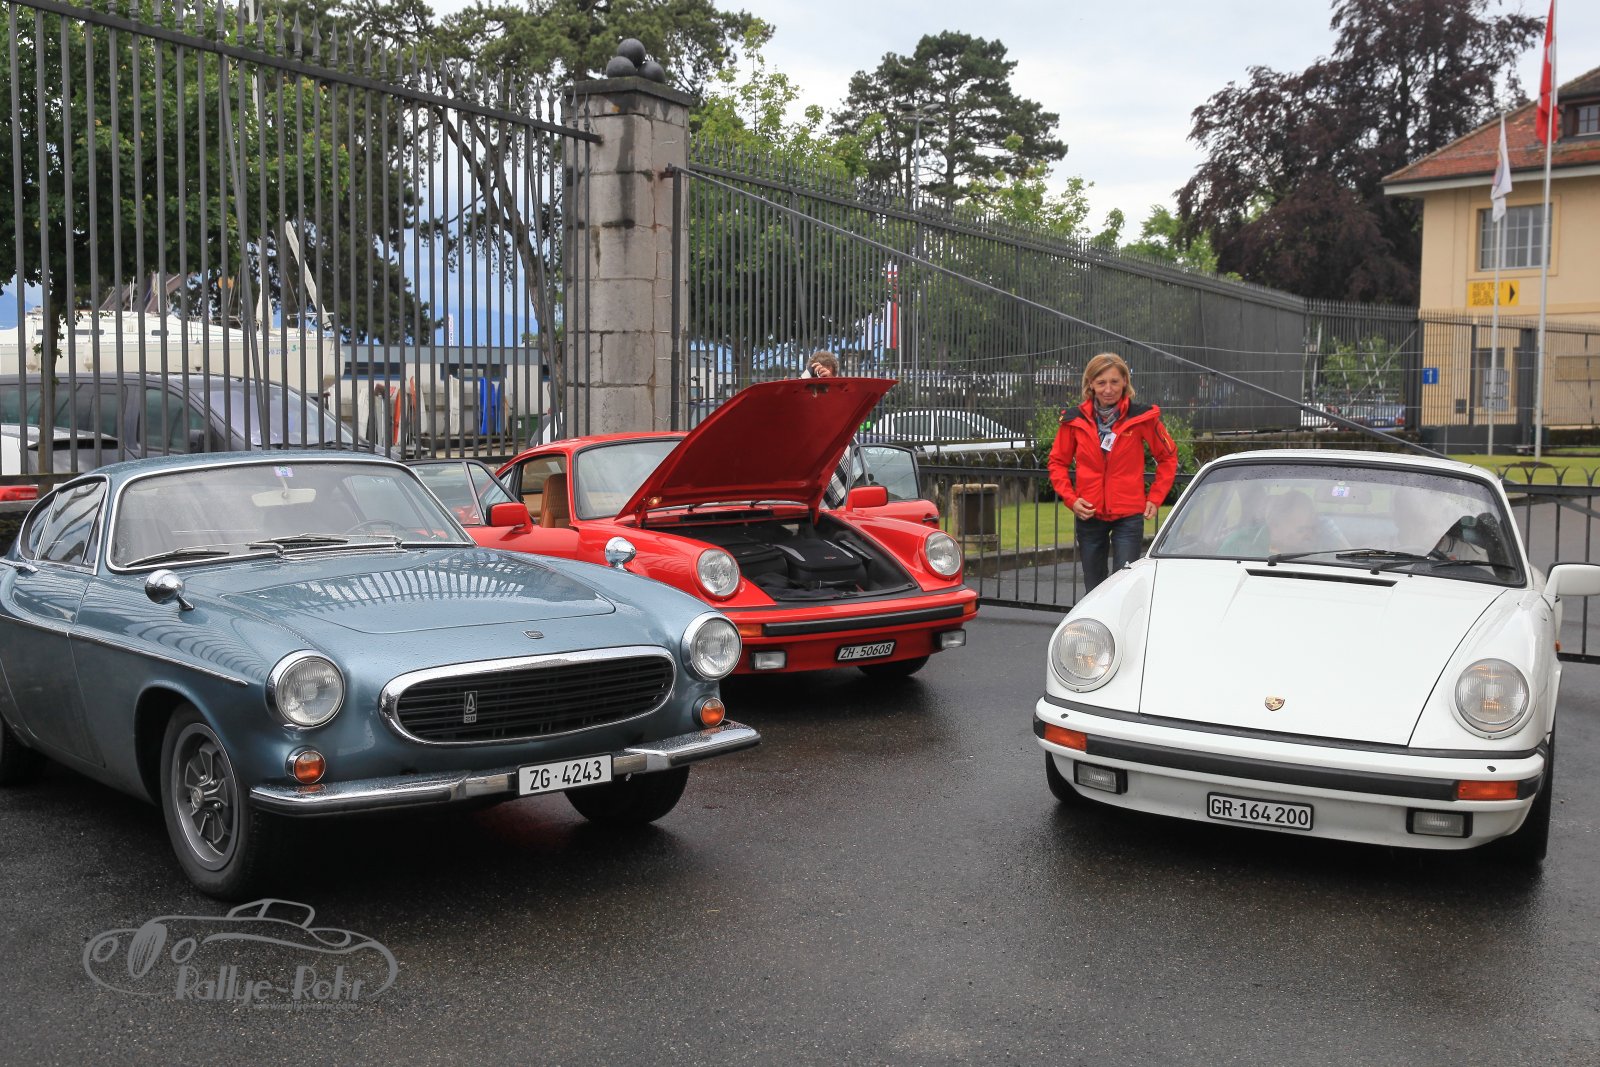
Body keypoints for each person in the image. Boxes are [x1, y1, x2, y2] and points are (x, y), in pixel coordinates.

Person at [1049, 352, 1179, 592]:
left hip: (1128, 515)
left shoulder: (1142, 417)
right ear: (1090, 384)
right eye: (1101, 383)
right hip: (1089, 514)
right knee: (1094, 588)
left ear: (1125, 382)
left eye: (1114, 382)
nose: (1108, 389)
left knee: (1123, 586)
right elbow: (1057, 462)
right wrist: (1071, 499)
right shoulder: (1074, 420)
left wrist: (1156, 497)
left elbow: (1168, 456)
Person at [802, 351, 861, 508]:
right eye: (818, 374)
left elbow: (848, 401)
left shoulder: (842, 395)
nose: (822, 380)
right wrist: (808, 377)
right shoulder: (803, 394)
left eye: (827, 375)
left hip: (844, 462)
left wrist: (832, 383)